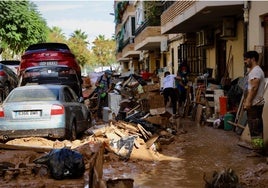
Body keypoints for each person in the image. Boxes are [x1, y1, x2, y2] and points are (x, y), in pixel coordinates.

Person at [243, 51, 265, 137]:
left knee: (255, 130)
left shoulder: (256, 71)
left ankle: (258, 150)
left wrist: (248, 102)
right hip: (254, 105)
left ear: (252, 59)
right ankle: (257, 148)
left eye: (246, 59)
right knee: (254, 129)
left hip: (255, 105)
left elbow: (254, 88)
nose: (244, 62)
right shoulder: (253, 71)